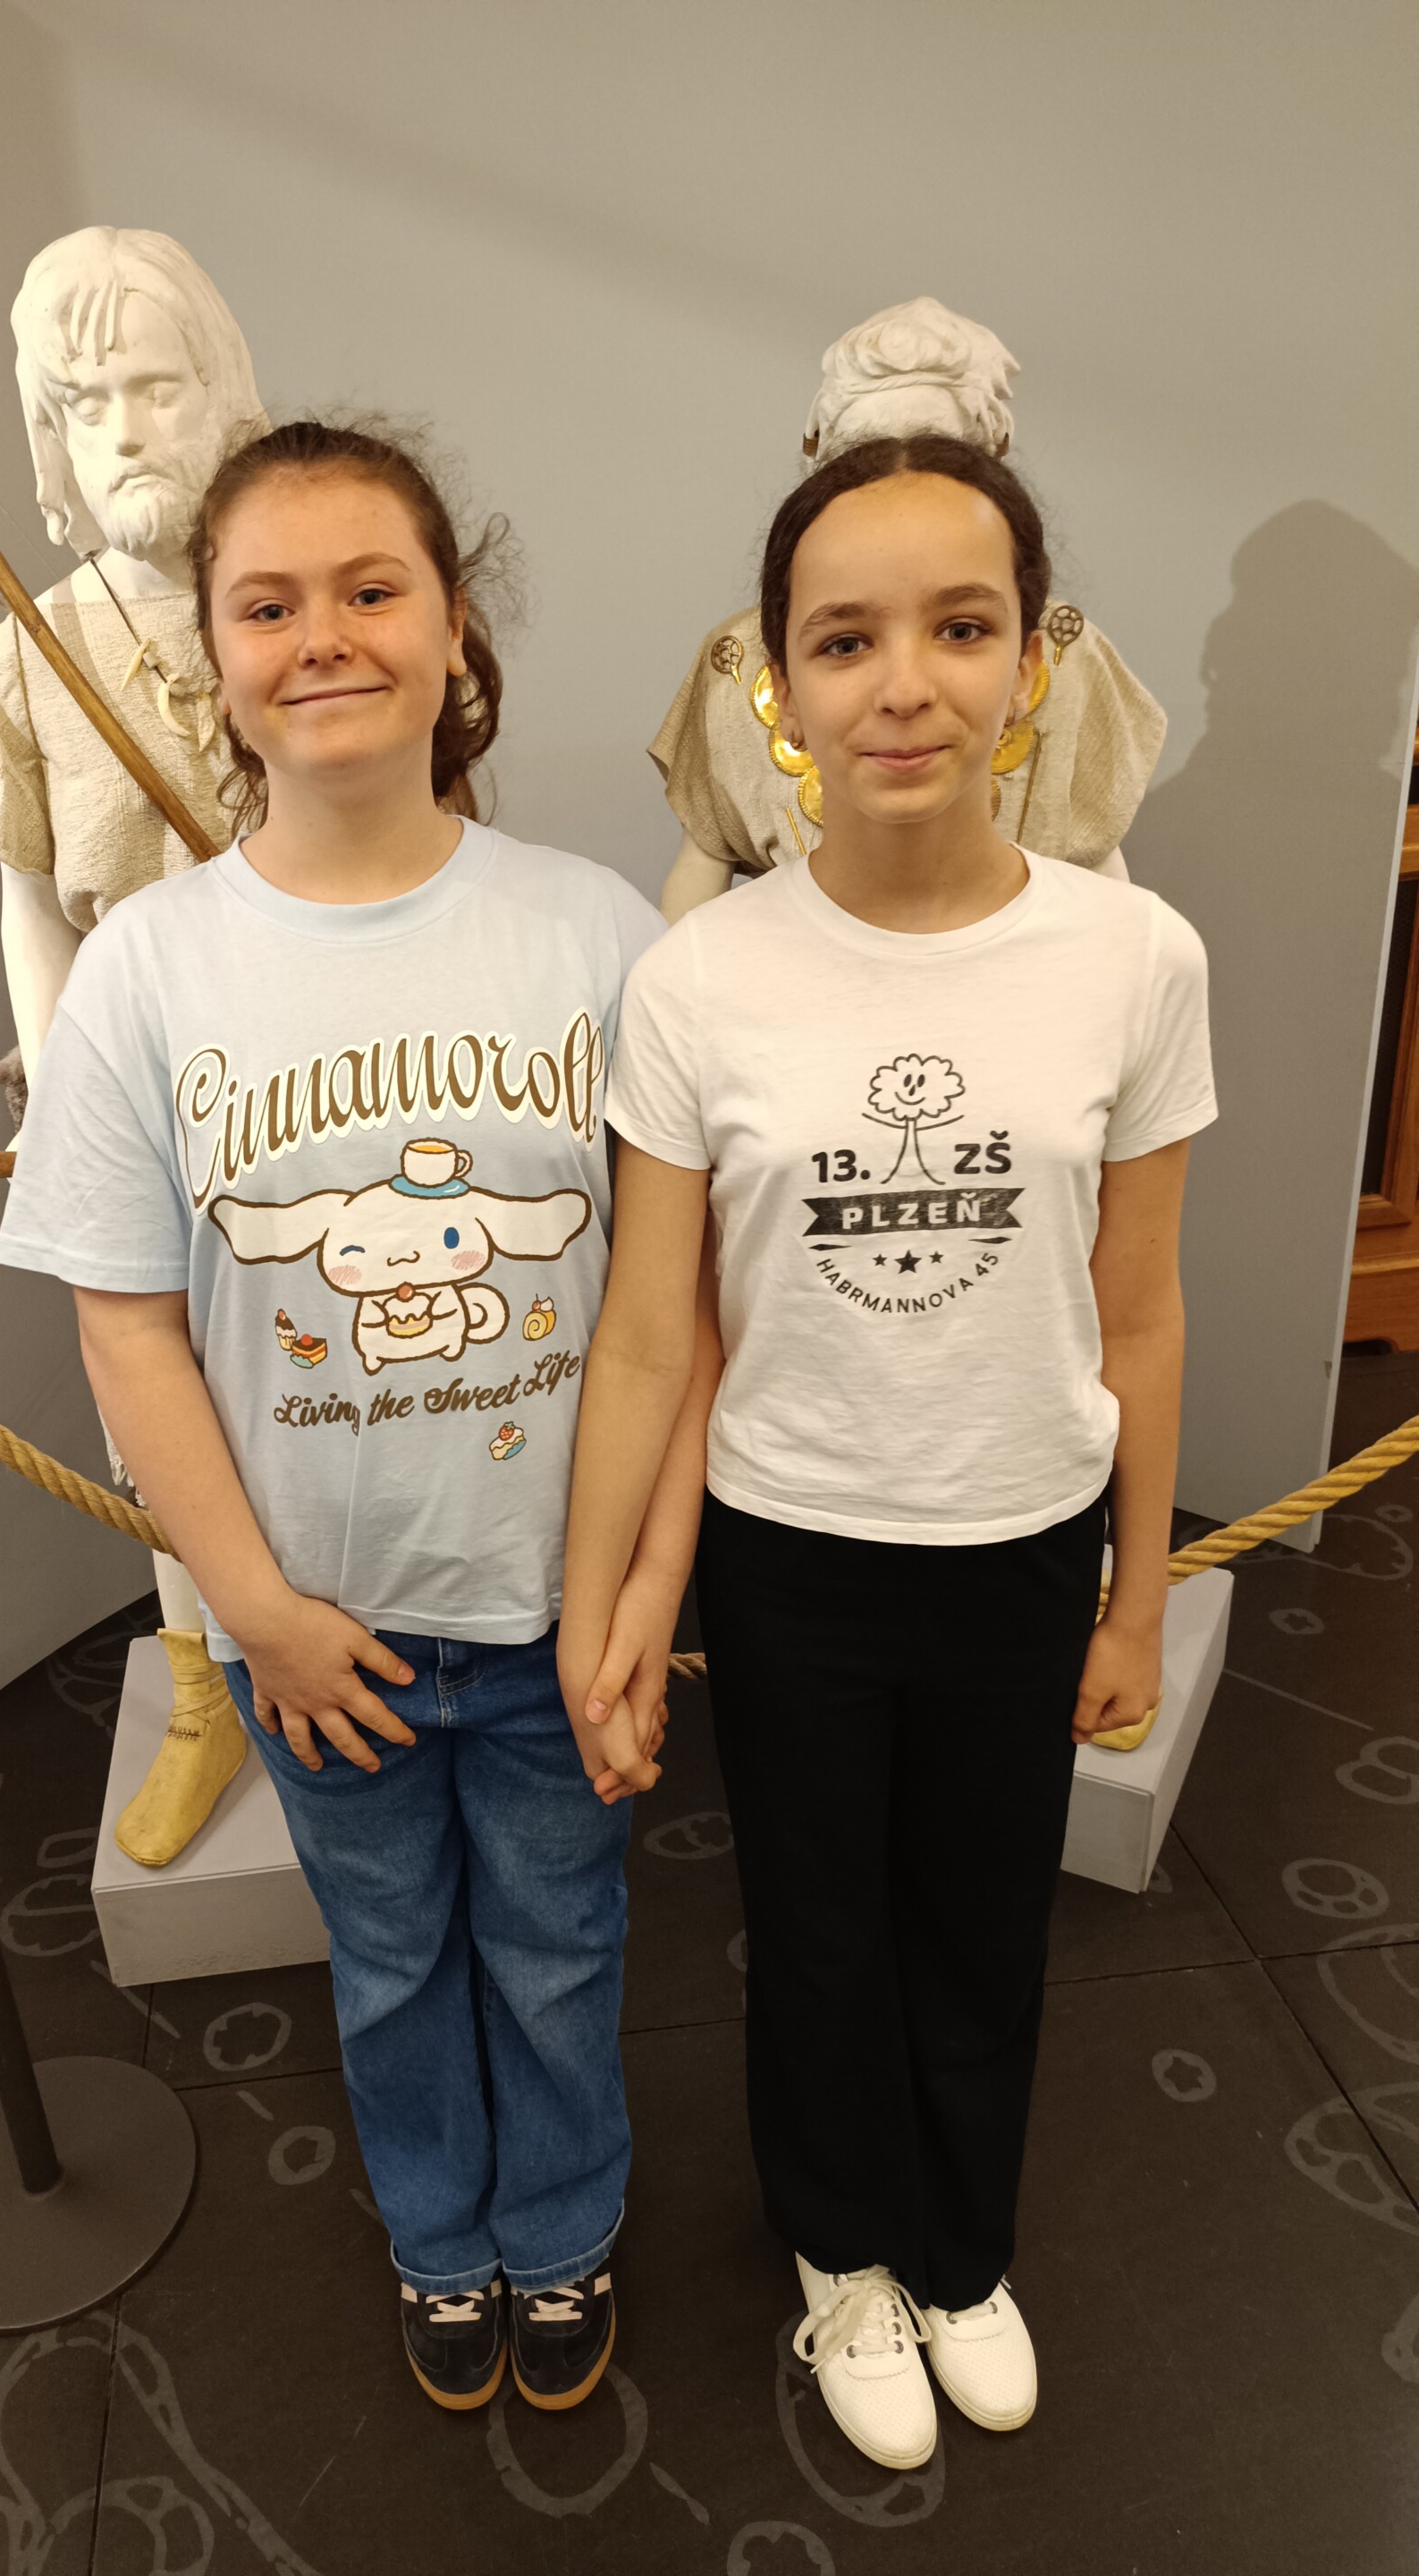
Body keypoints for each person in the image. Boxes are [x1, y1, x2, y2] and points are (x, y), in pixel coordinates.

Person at [0, 419, 688, 2414]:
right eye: (268, 603)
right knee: (384, 1960)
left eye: (371, 589)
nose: (324, 637)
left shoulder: (596, 934)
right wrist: (256, 1617)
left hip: (553, 1613)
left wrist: (639, 1593)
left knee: (560, 1950)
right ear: (212, 658)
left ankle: (562, 2227)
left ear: (453, 625)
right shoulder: (148, 972)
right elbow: (132, 1335)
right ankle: (440, 2239)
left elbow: (675, 1309)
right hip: (318, 1626)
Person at [560, 433, 1214, 2471]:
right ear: (777, 682)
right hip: (796, 1549)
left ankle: (958, 2247)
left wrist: (1136, 1592)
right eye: (844, 639)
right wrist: (603, 1600)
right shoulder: (700, 981)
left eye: (958, 626)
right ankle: (841, 2250)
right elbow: (652, 1327)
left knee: (984, 1920)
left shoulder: (1133, 958)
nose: (902, 683)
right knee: (820, 1926)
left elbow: (1136, 1310)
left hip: (1021, 1538)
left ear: (1031, 661)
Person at [0, 225, 266, 1870]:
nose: (124, 429)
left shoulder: (302, 610)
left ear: (222, 390)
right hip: (140, 1096)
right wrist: (59, 1094)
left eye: (154, 385)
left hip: (321, 1084)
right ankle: (203, 1685)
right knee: (156, 1412)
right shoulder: (26, 652)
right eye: (84, 402)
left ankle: (355, 1651)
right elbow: (30, 902)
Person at [652, 298, 1168, 921]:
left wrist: (1122, 957)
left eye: (961, 631)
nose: (903, 475)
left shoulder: (1066, 648)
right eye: (846, 644)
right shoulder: (737, 655)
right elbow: (702, 861)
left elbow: (1096, 850)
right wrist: (680, 968)